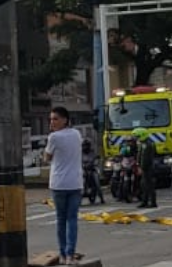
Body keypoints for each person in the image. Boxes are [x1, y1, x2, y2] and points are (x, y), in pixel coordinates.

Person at [44, 106, 83, 265]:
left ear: (65, 120)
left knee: (61, 219)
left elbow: (47, 158)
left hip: (59, 183)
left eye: (55, 119)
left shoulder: (53, 137)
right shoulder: (76, 134)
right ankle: (70, 255)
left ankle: (63, 253)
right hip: (75, 182)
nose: (52, 122)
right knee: (72, 219)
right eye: (51, 119)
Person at [134, 127, 157, 209]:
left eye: (137, 136)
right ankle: (145, 201)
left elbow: (145, 158)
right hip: (144, 167)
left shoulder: (148, 144)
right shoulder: (143, 144)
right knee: (144, 185)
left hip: (148, 168)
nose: (136, 138)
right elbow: (139, 155)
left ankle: (153, 202)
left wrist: (141, 167)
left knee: (149, 185)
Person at [81, 138, 104, 204]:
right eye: (84, 145)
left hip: (92, 169)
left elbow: (97, 158)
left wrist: (96, 161)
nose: (85, 147)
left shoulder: (92, 152)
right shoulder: (80, 153)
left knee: (96, 179)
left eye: (87, 145)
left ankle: (101, 197)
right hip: (83, 169)